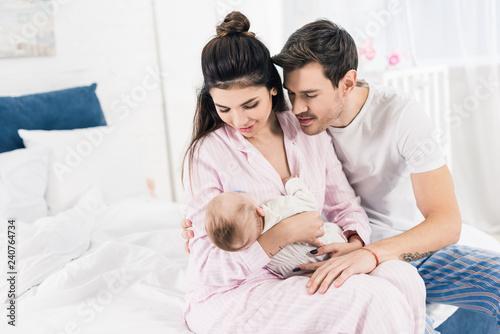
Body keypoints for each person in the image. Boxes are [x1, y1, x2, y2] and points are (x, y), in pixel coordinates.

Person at [181, 11, 427, 334]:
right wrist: (279, 235)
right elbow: (206, 270)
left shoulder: (305, 133)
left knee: (405, 278)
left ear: (272, 89)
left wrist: (355, 243)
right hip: (242, 291)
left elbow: (345, 205)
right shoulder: (207, 154)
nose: (239, 121)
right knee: (372, 298)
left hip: (306, 267)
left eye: (249, 104)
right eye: (224, 109)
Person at [269, 19, 500, 330]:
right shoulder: (286, 125)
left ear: (347, 83)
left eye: (310, 94)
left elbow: (446, 221)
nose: (297, 108)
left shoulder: (400, 115)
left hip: (405, 249)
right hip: (335, 257)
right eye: (291, 93)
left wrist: (372, 253)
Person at [205, 176, 346, 278]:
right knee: (331, 229)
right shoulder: (275, 210)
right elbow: (309, 203)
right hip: (330, 243)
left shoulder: (251, 245)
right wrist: (293, 183)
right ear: (259, 210)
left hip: (292, 272)